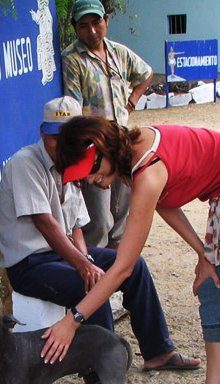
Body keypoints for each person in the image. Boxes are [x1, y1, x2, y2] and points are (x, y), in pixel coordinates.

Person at [42, 117, 220, 384]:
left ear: (102, 149)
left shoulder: (147, 168)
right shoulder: (129, 156)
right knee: (211, 290)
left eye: (90, 169)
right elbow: (166, 203)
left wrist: (73, 320)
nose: (90, 180)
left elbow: (123, 268)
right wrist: (202, 253)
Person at [0, 97, 201, 384]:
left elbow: (76, 225)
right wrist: (83, 267)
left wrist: (86, 260)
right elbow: (47, 225)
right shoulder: (26, 163)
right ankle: (102, 381)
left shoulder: (73, 162)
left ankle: (158, 350)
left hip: (59, 256)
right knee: (92, 287)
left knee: (133, 266)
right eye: (54, 138)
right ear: (41, 132)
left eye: (69, 139)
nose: (60, 145)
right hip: (29, 263)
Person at [62, 0, 153, 248]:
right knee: (99, 221)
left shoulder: (118, 52)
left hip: (122, 143)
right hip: (94, 151)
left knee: (122, 215)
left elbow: (146, 73)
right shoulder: (72, 59)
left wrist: (132, 102)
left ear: (106, 21)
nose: (91, 31)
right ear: (75, 29)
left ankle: (116, 274)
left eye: (96, 22)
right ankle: (95, 276)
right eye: (84, 26)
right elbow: (73, 111)